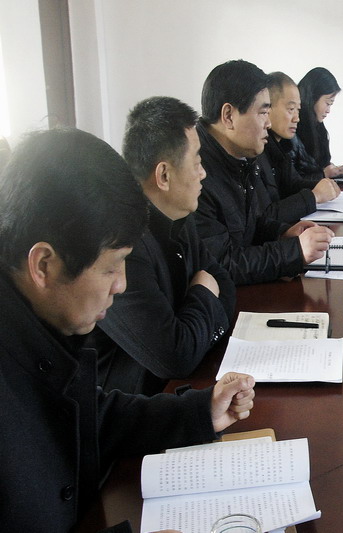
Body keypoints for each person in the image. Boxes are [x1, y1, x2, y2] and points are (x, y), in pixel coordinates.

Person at [0, 128, 255, 532]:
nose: (121, 285)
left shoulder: (36, 326)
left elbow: (91, 417)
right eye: (110, 267)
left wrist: (198, 411)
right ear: (44, 264)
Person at [91, 96, 236, 395]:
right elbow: (175, 357)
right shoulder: (123, 247)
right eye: (197, 162)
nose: (203, 173)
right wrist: (202, 293)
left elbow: (225, 285)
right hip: (136, 406)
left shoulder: (180, 216)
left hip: (184, 386)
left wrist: (193, 324)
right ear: (164, 175)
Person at [194, 60, 334, 285]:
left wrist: (282, 233)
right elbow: (221, 264)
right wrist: (295, 251)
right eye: (263, 112)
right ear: (228, 116)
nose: (268, 123)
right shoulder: (196, 172)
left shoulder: (238, 157)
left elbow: (247, 227)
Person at [265, 71, 342, 202]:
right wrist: (316, 194)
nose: (297, 118)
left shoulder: (278, 147)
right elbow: (270, 209)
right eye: (291, 109)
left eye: (298, 110)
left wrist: (326, 186)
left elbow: (294, 184)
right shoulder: (262, 149)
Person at [295, 66, 343, 179]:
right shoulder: (294, 128)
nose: (328, 110)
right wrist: (323, 174)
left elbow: (320, 164)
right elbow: (294, 181)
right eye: (328, 103)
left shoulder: (317, 126)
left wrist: (331, 169)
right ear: (313, 97)